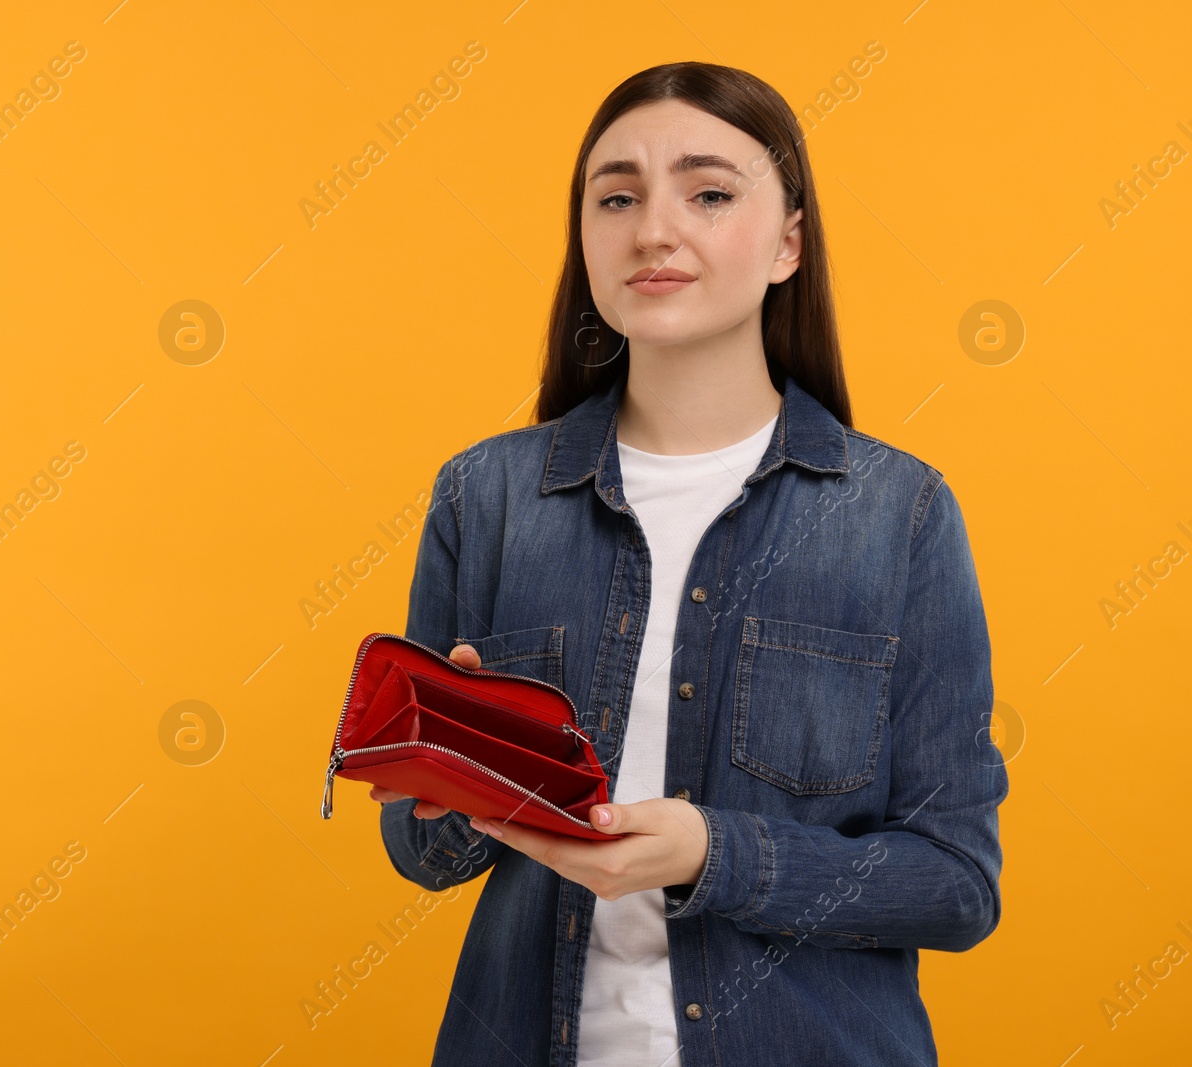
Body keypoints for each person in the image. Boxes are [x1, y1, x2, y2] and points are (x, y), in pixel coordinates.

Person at [366, 61, 1008, 1067]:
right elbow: (424, 852)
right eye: (615, 196)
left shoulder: (900, 514)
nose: (652, 230)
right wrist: (457, 780)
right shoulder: (481, 497)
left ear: (789, 241)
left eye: (707, 193)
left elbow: (956, 882)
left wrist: (717, 854)